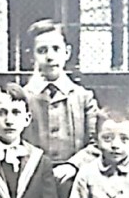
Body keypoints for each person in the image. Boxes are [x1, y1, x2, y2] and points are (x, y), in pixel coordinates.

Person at [21, 19, 100, 186]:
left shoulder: (83, 97)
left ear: (67, 53)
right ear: (31, 56)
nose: (50, 57)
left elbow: (97, 143)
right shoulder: (23, 98)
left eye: (56, 49)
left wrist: (73, 165)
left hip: (75, 180)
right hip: (33, 181)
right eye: (42, 51)